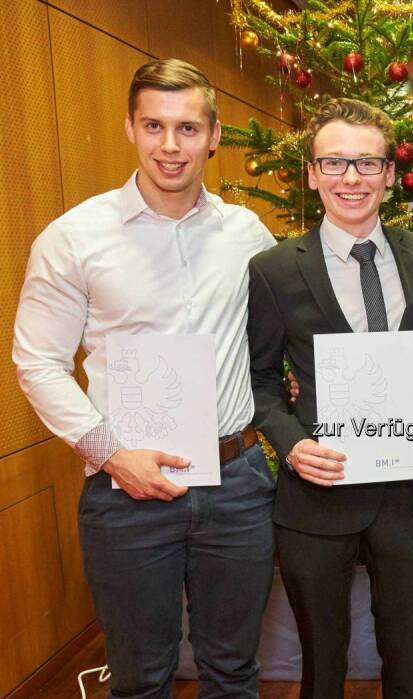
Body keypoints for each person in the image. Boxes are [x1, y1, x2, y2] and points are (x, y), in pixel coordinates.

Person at [12, 58, 277, 697]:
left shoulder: (248, 234)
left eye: (188, 128)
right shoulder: (74, 238)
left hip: (237, 484)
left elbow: (273, 340)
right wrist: (112, 455)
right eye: (154, 125)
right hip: (124, 490)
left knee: (234, 674)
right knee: (140, 681)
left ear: (214, 136)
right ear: (130, 127)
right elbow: (38, 362)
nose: (170, 145)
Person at [247, 98, 413, 699]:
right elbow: (259, 379)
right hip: (317, 494)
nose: (350, 178)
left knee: (406, 656)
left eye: (366, 162)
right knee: (322, 662)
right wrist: (291, 444)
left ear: (389, 173)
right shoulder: (274, 269)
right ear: (311, 173)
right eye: (333, 162)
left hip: (407, 492)